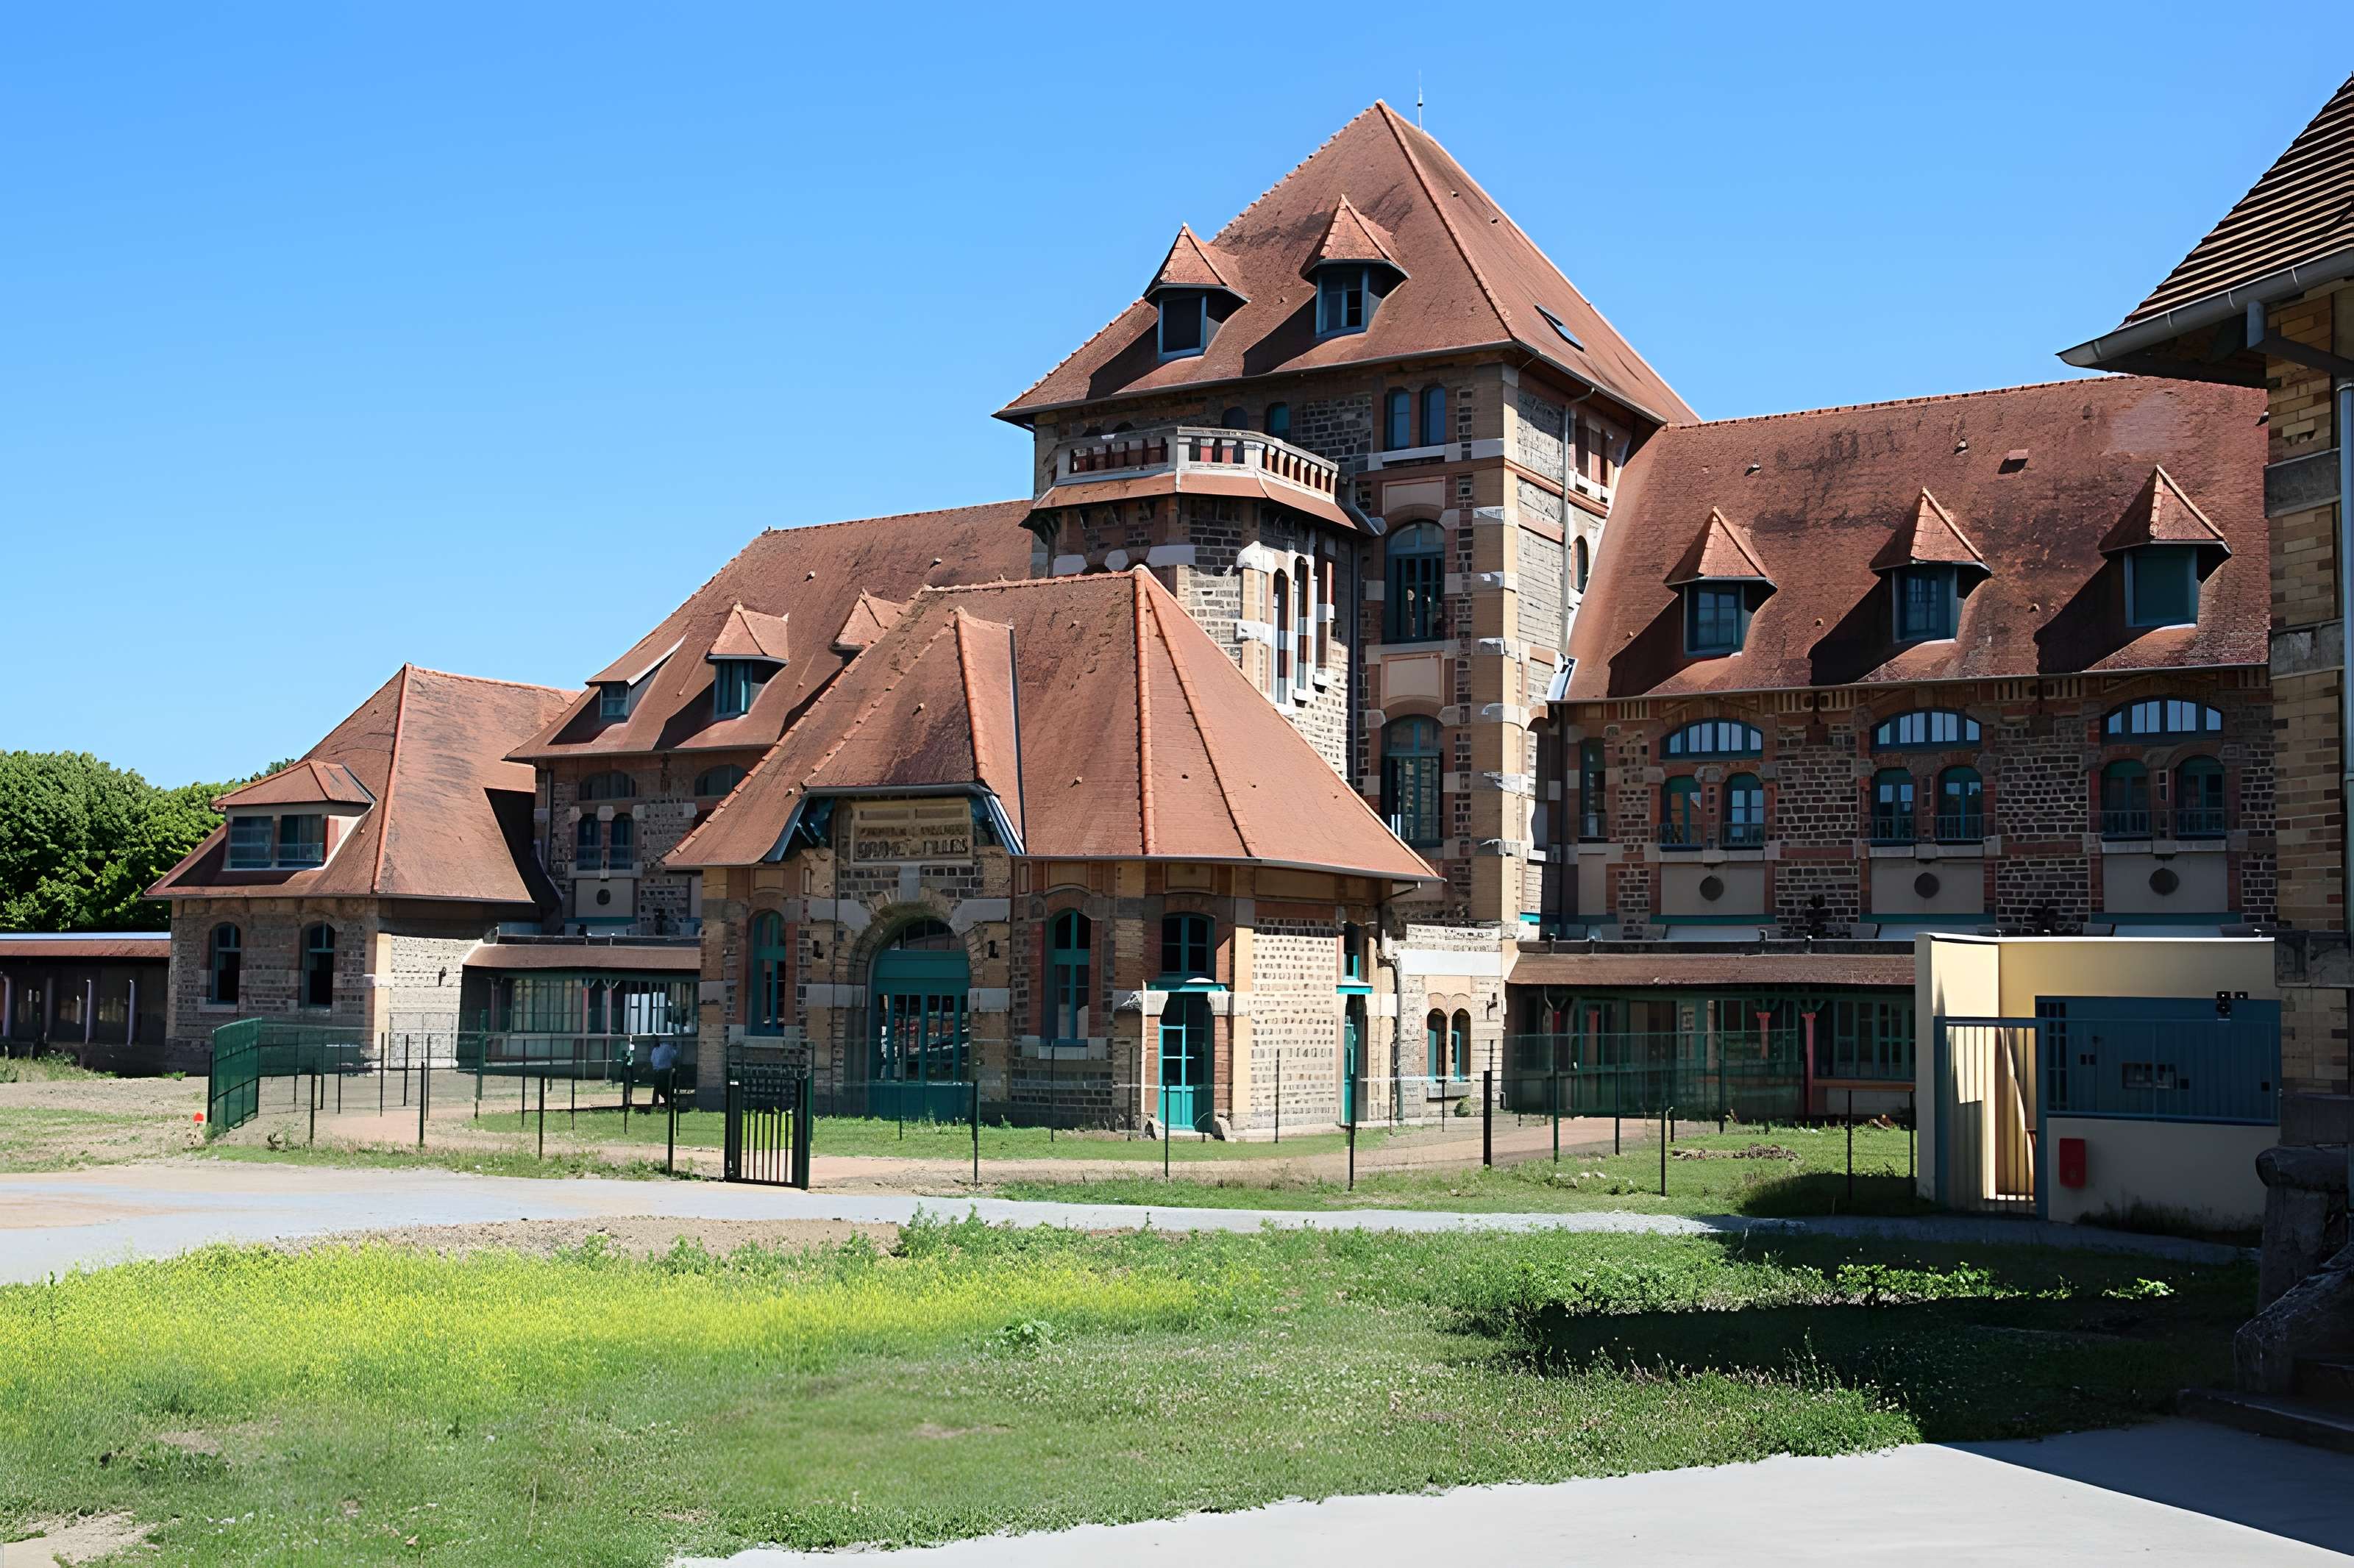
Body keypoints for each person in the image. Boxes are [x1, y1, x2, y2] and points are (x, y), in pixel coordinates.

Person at [648, 1036, 678, 1108]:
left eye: (653, 1041)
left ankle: (668, 1103)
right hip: (657, 1071)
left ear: (657, 1040)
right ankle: (655, 1104)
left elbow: (674, 1056)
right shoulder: (654, 1050)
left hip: (666, 1071)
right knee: (657, 1089)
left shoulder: (666, 1047)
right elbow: (652, 1061)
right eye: (651, 1042)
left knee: (666, 1088)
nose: (652, 1043)